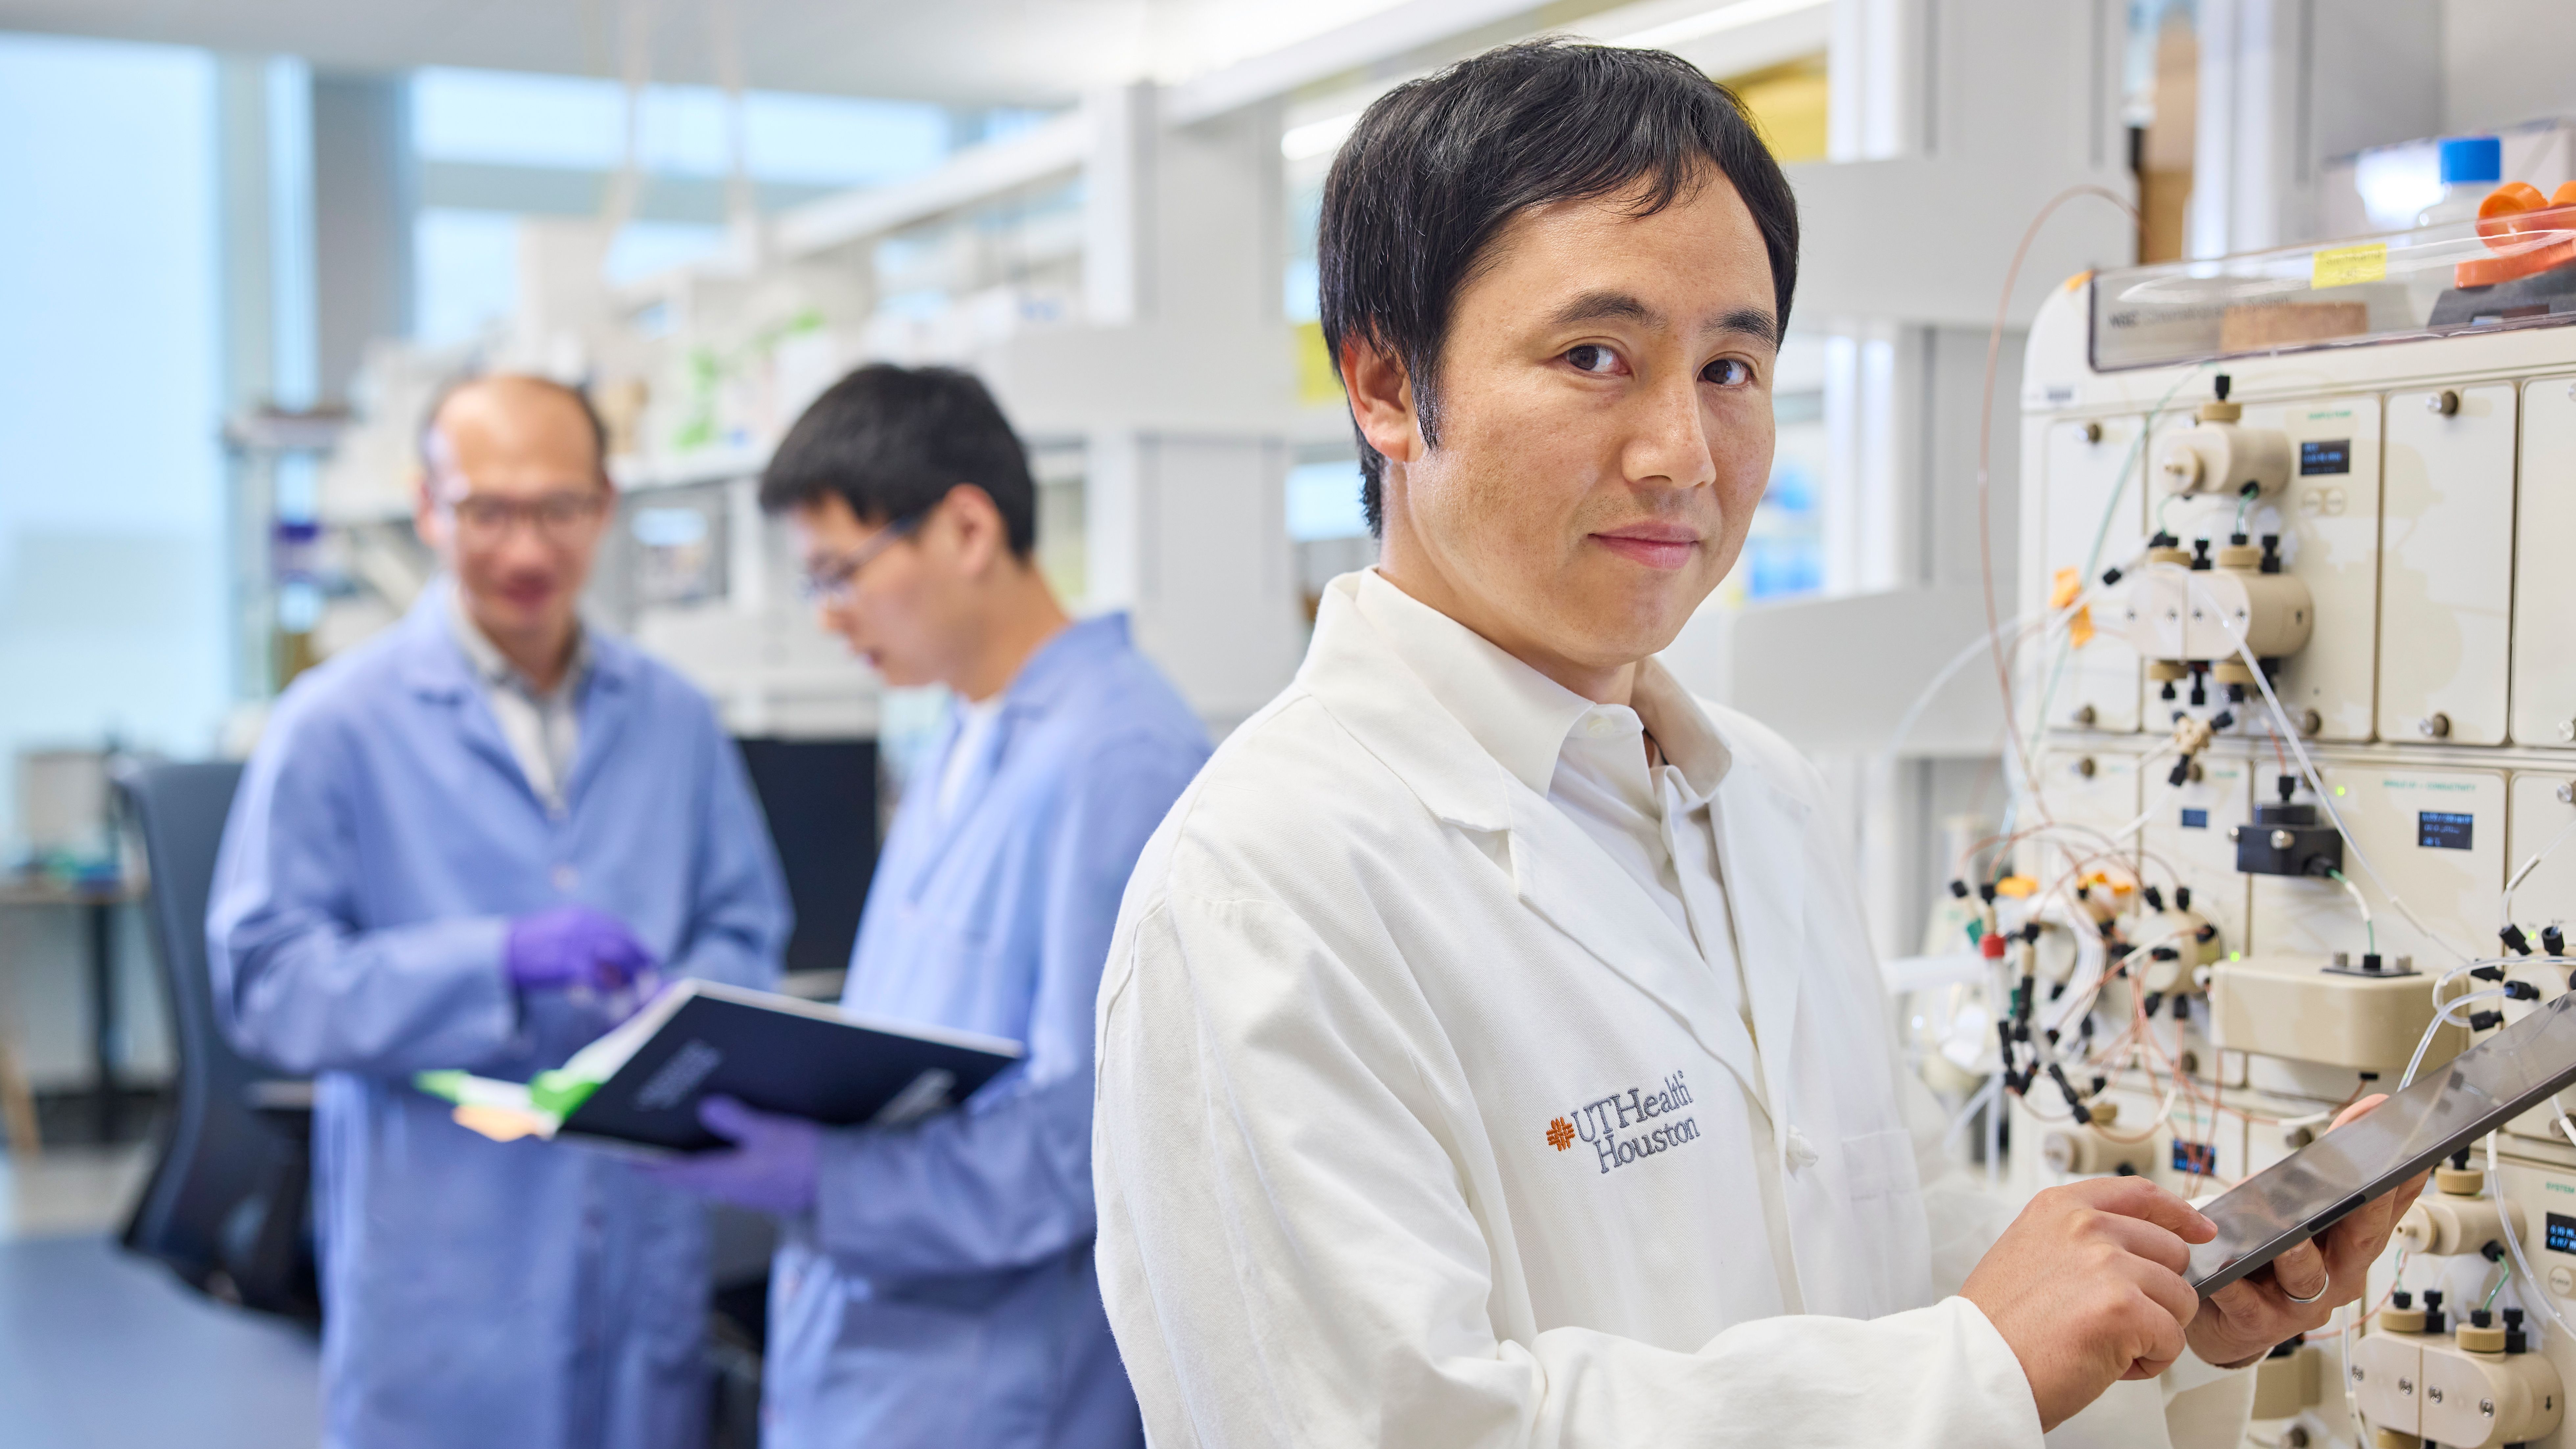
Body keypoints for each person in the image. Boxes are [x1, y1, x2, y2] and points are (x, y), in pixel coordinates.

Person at [1089, 41, 2424, 1449]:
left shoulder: (1763, 798)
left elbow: (1875, 1250)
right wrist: (1977, 1365)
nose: (1683, 451)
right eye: (1594, 356)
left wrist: (2156, 1301)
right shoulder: (1262, 887)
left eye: (1731, 365)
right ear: (1381, 384)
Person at [208, 374, 792, 1449]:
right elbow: (267, 985)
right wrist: (493, 962)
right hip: (443, 1267)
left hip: (637, 1247)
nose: (528, 551)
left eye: (560, 508)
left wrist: (688, 1014)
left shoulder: (674, 718)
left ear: (607, 504)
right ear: (429, 507)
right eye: (488, 511)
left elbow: (747, 928)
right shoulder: (334, 726)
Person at [645, 363, 1209, 1449]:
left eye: (841, 572)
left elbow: (1080, 1143)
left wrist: (827, 1179)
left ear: (964, 528)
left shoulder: (1122, 758)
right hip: (873, 1357)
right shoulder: (965, 725)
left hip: (994, 1384)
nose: (829, 616)